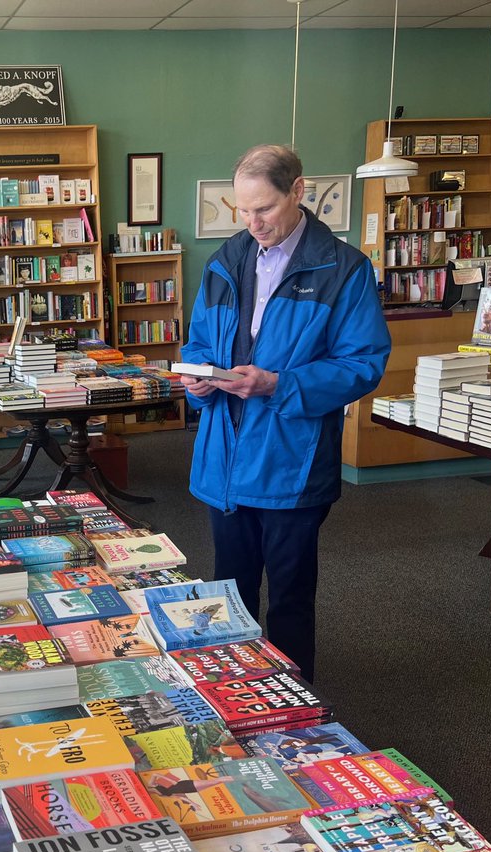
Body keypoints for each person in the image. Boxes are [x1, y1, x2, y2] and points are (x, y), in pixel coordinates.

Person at [178, 145, 391, 683]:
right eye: (243, 211)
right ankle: (236, 696)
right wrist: (198, 385)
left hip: (291, 464)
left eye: (265, 209)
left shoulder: (345, 269)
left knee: (291, 598)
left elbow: (362, 365)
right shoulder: (224, 261)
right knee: (229, 593)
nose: (254, 224)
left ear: (298, 191)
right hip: (224, 460)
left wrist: (279, 384)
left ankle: (294, 709)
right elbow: (201, 342)